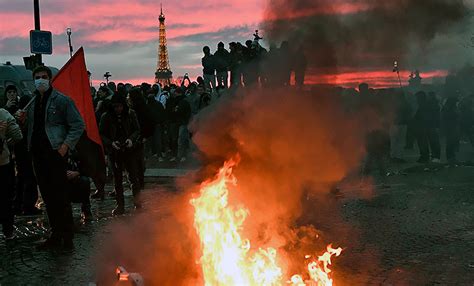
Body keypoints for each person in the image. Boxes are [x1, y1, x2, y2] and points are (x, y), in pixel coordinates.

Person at [21, 66, 85, 249]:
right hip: (38, 154)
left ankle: (67, 236)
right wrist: (23, 121)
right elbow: (32, 128)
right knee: (48, 197)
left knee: (60, 195)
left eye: (43, 77)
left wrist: (65, 146)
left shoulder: (62, 100)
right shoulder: (32, 102)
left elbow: (78, 124)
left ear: (50, 79)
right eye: (37, 77)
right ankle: (56, 234)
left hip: (55, 153)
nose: (40, 80)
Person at [99, 94, 141, 215]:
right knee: (117, 180)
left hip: (129, 149)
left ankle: (138, 204)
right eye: (116, 106)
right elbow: (101, 134)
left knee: (133, 177)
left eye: (120, 106)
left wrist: (131, 140)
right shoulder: (106, 117)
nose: (118, 109)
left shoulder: (130, 114)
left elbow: (137, 130)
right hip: (114, 151)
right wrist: (111, 143)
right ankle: (120, 205)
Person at [3, 85, 41, 215]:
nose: (12, 95)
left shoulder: (21, 108)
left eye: (14, 92)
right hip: (18, 147)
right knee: (26, 176)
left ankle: (20, 204)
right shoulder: (5, 110)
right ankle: (25, 205)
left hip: (22, 147)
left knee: (22, 176)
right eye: (9, 92)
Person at [0, 108, 23, 239]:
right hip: (3, 163)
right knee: (6, 198)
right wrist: (6, 143)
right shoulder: (3, 113)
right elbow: (17, 136)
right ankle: (8, 232)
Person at [442, 97, 460, 164]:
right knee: (450, 143)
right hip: (450, 128)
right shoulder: (448, 109)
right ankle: (450, 158)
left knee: (452, 143)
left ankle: (451, 157)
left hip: (452, 128)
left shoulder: (449, 108)